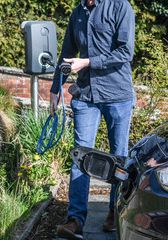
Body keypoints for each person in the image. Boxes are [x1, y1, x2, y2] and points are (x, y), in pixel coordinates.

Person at [49, 0, 135, 239]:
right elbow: (66, 55)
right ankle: (75, 220)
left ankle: (113, 213)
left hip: (117, 96)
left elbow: (126, 51)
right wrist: (55, 89)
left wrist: (87, 62)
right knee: (80, 155)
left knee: (119, 158)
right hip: (86, 95)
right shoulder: (77, 13)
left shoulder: (121, 7)